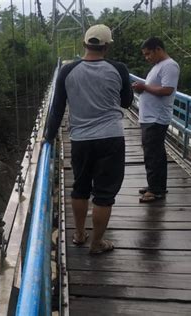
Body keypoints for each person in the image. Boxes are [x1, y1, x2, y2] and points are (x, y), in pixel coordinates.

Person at [44, 24, 133, 254]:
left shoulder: (67, 71)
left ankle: (80, 234)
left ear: (85, 44)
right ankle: (96, 244)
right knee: (104, 194)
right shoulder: (119, 69)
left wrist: (48, 137)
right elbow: (126, 103)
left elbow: (57, 109)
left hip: (81, 139)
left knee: (80, 188)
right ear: (107, 46)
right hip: (111, 138)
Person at [132, 37, 180, 203]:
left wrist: (144, 87)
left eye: (148, 54)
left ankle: (155, 190)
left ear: (158, 49)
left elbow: (167, 90)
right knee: (155, 153)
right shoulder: (158, 66)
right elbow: (157, 87)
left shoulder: (170, 66)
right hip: (150, 117)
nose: (147, 58)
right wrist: (143, 87)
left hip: (156, 118)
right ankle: (157, 185)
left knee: (152, 154)